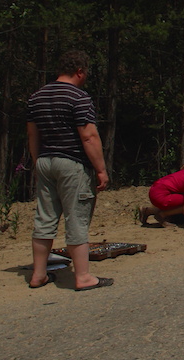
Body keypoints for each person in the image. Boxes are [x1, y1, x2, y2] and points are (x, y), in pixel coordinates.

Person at [27, 50, 113, 291]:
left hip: (45, 161)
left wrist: (37, 162)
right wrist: (101, 169)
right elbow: (88, 136)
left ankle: (38, 274)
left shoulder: (36, 97)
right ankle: (83, 277)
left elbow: (33, 134)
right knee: (77, 218)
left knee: (44, 218)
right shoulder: (78, 97)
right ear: (80, 71)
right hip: (71, 164)